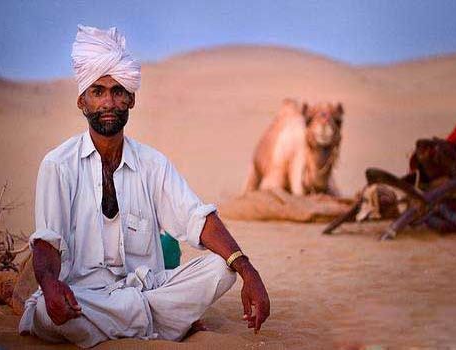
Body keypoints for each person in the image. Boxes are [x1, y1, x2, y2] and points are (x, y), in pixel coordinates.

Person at [18, 25, 270, 348]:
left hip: (147, 290)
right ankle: (158, 325)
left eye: (117, 91)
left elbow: (198, 219)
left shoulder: (153, 165)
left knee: (223, 268)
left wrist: (249, 270)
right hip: (84, 296)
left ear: (131, 99)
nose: (108, 102)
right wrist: (51, 284)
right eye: (97, 91)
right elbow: (46, 244)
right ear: (82, 101)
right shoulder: (58, 165)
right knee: (43, 309)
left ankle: (129, 324)